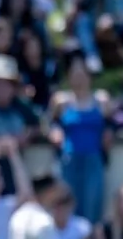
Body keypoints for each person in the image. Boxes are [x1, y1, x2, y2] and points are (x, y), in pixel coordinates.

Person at [48, 59, 112, 225]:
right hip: (69, 159)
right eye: (74, 75)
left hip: (93, 158)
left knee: (92, 206)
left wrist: (108, 135)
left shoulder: (101, 100)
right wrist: (54, 131)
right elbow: (50, 123)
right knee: (68, 205)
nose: (79, 78)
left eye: (82, 74)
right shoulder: (62, 101)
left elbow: (110, 124)